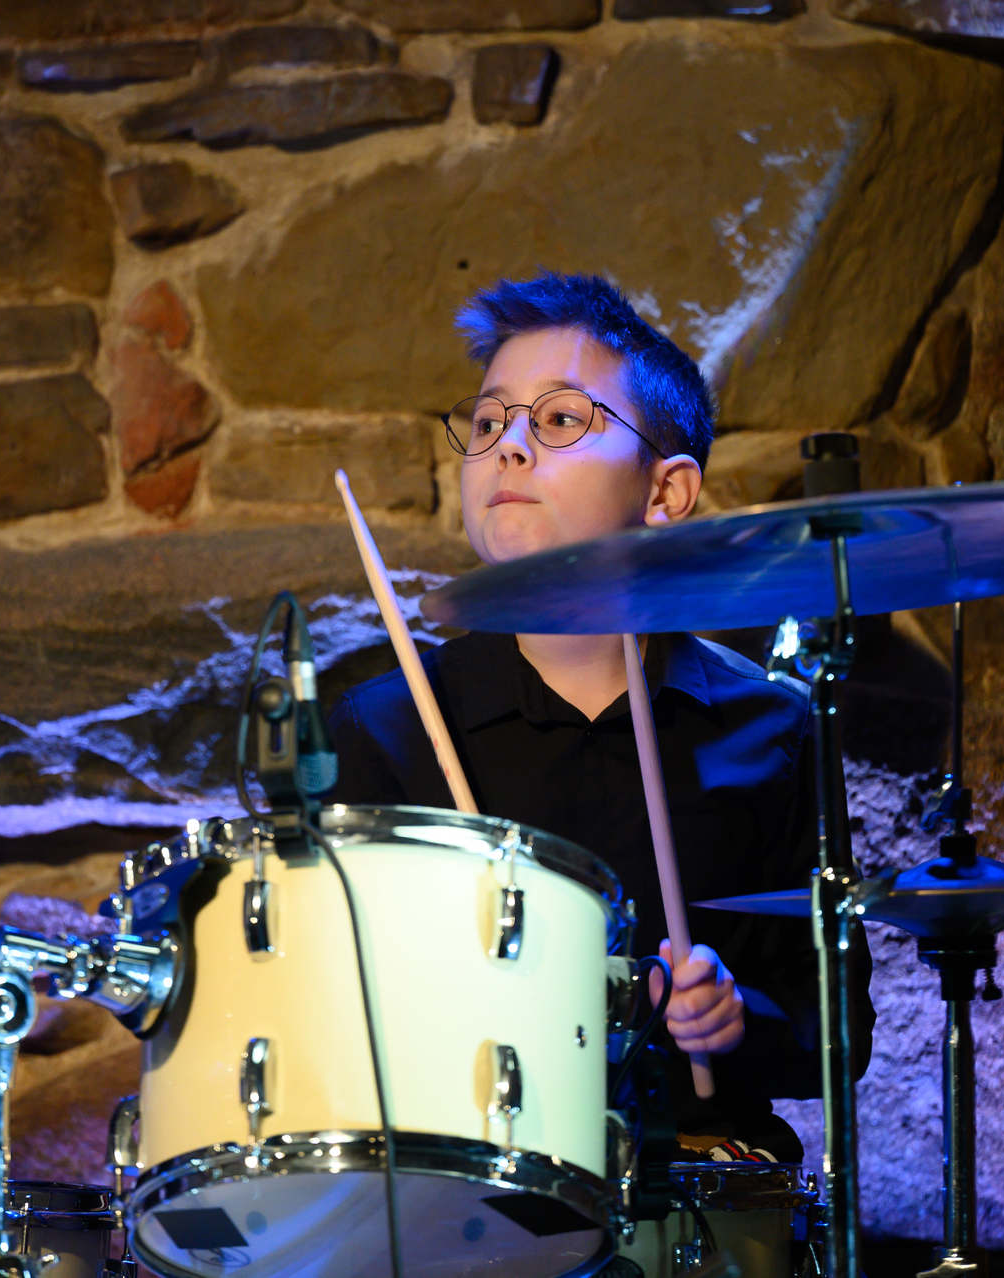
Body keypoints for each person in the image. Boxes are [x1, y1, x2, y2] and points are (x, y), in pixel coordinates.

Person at [326, 271, 873, 1162]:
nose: (508, 447)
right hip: (466, 1196)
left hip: (703, 1183)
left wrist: (738, 1018)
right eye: (489, 422)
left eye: (559, 419)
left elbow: (840, 1030)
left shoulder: (774, 729)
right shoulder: (382, 729)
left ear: (666, 494)